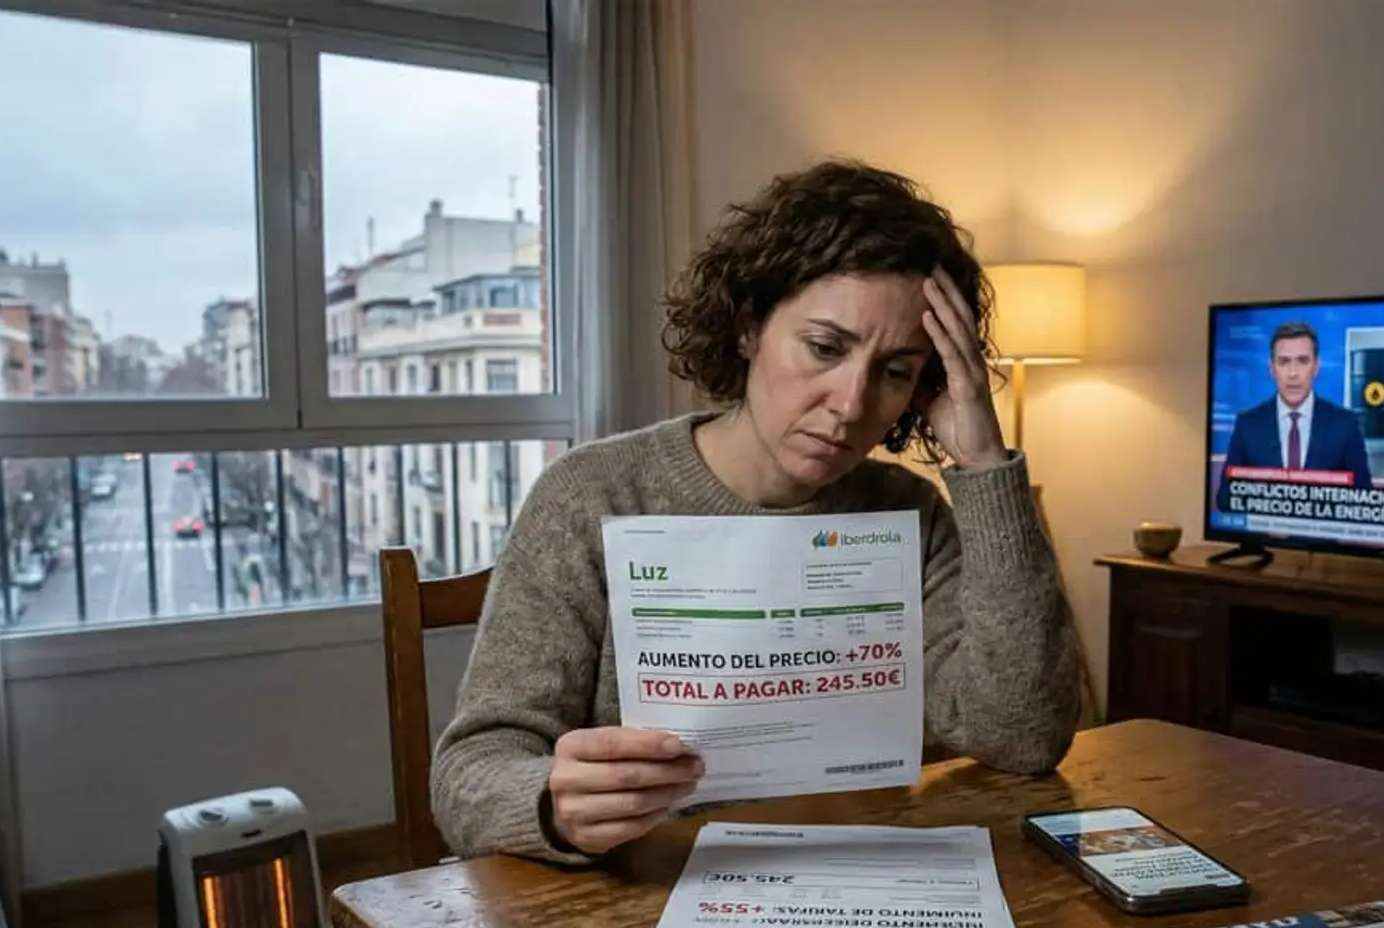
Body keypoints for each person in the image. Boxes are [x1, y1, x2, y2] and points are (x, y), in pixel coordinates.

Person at [429, 159, 1083, 865]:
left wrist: (985, 466)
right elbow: (470, 772)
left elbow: (1023, 735)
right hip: (643, 898)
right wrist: (553, 806)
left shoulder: (908, 513)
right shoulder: (592, 496)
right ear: (748, 328)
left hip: (858, 884)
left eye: (895, 371)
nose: (851, 404)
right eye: (824, 348)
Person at [1220, 322, 1373, 489]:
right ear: (1272, 369)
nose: (1293, 373)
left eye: (1302, 361)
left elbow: (1363, 496)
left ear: (1316, 367)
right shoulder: (1248, 424)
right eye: (1284, 362)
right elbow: (1226, 497)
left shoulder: (1345, 424)